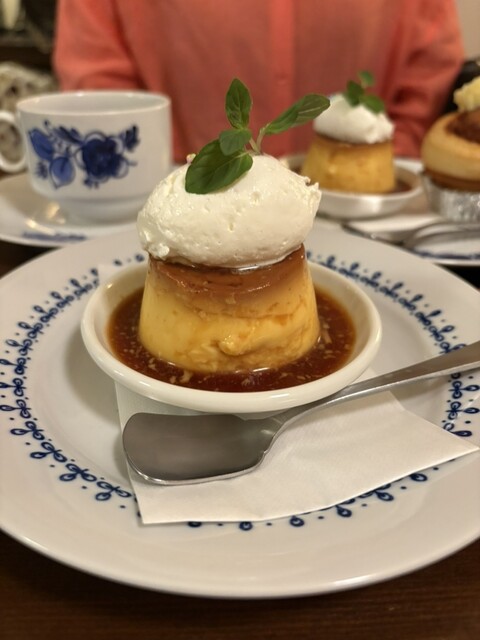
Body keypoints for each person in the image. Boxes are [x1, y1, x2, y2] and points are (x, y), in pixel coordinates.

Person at [53, 0, 464, 164]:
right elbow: (98, 78)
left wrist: (385, 168)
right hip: (170, 210)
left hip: (382, 221)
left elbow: (429, 63)